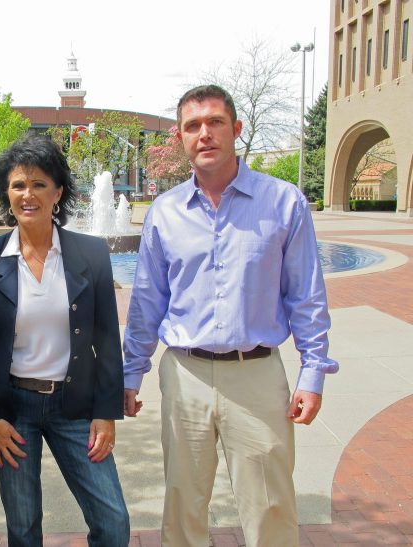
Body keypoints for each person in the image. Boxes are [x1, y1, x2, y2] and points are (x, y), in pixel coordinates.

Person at [123, 84, 339, 547]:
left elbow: (306, 296)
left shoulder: (284, 203)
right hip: (185, 376)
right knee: (183, 503)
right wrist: (131, 373)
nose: (205, 134)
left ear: (236, 129)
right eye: (193, 126)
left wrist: (313, 372)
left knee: (270, 506)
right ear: (180, 137)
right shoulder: (164, 213)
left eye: (216, 122)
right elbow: (147, 302)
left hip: (258, 375)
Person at [0, 135, 129, 547]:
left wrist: (106, 413)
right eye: (18, 185)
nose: (28, 195)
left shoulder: (90, 253)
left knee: (113, 522)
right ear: (7, 193)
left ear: (58, 192)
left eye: (39, 184)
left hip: (76, 407)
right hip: (12, 411)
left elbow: (107, 337)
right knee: (22, 526)